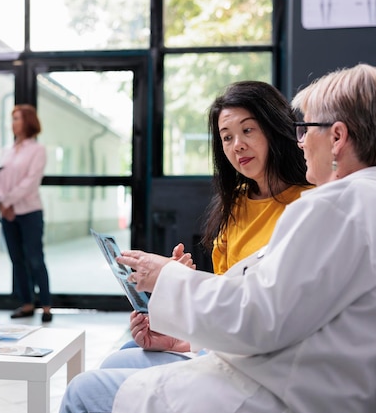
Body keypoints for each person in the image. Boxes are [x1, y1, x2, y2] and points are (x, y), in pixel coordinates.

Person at [60, 63, 376, 413]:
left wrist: (168, 278)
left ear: (337, 137)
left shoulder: (334, 208)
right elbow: (275, 309)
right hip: (298, 375)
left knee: (83, 392)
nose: (303, 142)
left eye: (307, 129)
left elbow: (258, 317)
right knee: (117, 365)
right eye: (227, 137)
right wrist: (179, 321)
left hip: (282, 390)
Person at [103, 80, 312, 366]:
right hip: (224, 346)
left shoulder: (308, 205)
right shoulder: (236, 202)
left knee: (110, 370)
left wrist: (180, 281)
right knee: (127, 351)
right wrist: (180, 339)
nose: (238, 146)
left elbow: (263, 311)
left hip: (260, 359)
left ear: (275, 128)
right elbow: (224, 298)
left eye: (247, 130)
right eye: (227, 137)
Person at [0, 104, 53, 323]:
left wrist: (7, 202)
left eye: (17, 118)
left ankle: (45, 305)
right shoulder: (6, 150)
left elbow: (30, 182)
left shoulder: (37, 150)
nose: (13, 122)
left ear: (28, 122)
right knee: (17, 259)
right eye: (12, 118)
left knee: (35, 259)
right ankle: (27, 303)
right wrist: (1, 201)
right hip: (7, 213)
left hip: (29, 212)